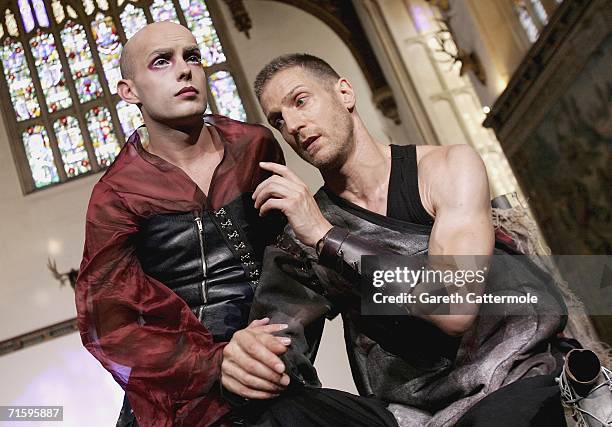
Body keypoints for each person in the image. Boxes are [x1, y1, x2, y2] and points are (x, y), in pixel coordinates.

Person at [76, 23, 397, 427]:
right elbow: (110, 326)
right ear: (130, 91)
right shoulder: (117, 194)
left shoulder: (254, 146)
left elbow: (291, 267)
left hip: (274, 369)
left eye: (192, 57)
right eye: (162, 62)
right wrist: (215, 362)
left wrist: (274, 350)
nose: (185, 70)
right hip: (186, 398)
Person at [228, 53, 569, 426]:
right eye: (278, 119)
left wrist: (327, 237)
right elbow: (275, 341)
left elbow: (455, 307)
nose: (292, 124)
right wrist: (246, 356)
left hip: (509, 376)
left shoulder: (447, 169)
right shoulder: (301, 232)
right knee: (282, 413)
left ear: (344, 93)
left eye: (300, 100)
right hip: (409, 414)